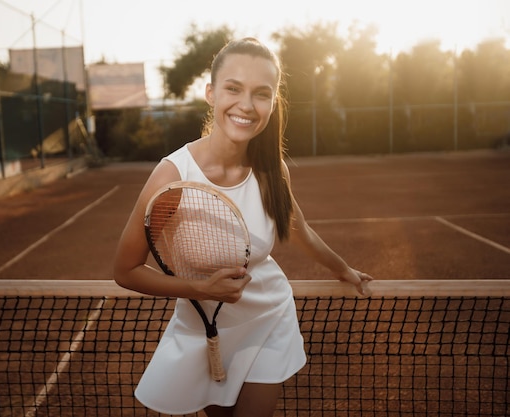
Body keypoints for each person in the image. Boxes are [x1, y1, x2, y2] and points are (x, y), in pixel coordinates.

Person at [113, 37, 373, 417]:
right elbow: (125, 270)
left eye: (261, 94)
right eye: (233, 89)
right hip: (204, 327)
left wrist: (343, 270)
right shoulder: (172, 176)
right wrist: (199, 288)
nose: (247, 105)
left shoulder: (272, 170)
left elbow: (300, 229)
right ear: (210, 93)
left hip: (268, 317)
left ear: (273, 103)